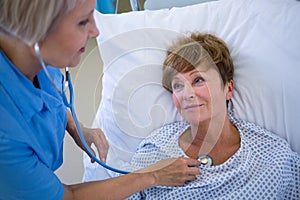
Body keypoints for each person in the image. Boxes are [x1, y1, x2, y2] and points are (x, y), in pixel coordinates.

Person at [0, 1, 201, 199]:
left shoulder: (39, 56)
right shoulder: (5, 133)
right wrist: (154, 175)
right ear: (37, 28)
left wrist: (75, 127)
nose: (95, 31)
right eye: (82, 22)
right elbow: (69, 197)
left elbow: (49, 98)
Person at [125, 33, 300, 199]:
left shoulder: (274, 157)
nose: (187, 94)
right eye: (178, 85)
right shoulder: (155, 150)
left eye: (198, 80)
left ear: (228, 89)